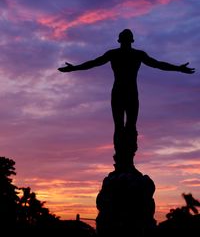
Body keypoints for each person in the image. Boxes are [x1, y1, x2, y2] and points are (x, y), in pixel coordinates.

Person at [58, 29, 195, 165]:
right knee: (122, 126)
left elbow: (158, 64)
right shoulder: (122, 54)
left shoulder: (130, 54)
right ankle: (122, 161)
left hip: (126, 93)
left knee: (127, 126)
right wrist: (74, 68)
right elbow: (94, 62)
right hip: (123, 93)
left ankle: (127, 161)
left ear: (123, 40)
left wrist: (178, 68)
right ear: (129, 40)